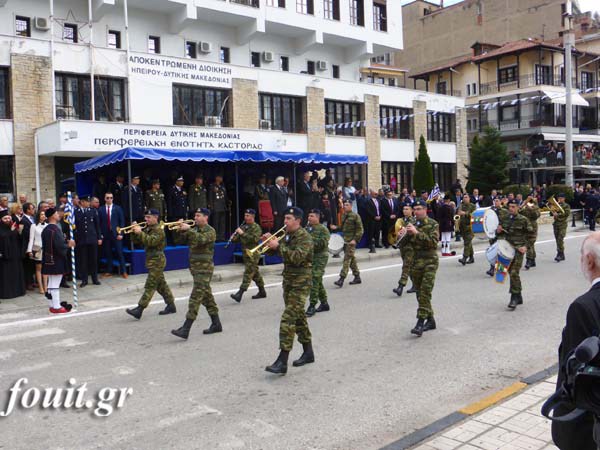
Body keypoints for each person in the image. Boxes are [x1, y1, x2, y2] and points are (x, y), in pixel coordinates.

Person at [551, 232, 600, 450]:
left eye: (581, 255)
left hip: (588, 427)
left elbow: (577, 377)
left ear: (589, 260)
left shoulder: (583, 306)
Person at [263, 207, 314, 375]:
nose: (285, 221)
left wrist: (278, 247)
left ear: (298, 220)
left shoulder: (305, 237)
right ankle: (308, 352)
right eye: (284, 218)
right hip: (289, 281)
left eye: (288, 218)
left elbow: (297, 257)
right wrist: (268, 244)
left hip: (301, 282)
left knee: (288, 318)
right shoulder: (287, 236)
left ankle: (282, 360)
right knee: (298, 318)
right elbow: (274, 255)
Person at [171, 208, 222, 339]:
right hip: (195, 268)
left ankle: (186, 328)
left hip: (204, 270)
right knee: (207, 297)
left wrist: (189, 229)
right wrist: (179, 229)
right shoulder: (195, 230)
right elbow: (179, 241)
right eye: (195, 215)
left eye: (198, 215)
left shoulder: (210, 231)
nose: (195, 218)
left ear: (206, 218)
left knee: (195, 298)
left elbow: (200, 240)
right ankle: (216, 324)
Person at [125, 209, 176, 320]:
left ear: (155, 217)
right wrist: (134, 232)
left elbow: (151, 241)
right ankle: (171, 305)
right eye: (146, 217)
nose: (145, 219)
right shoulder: (149, 229)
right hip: (151, 259)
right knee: (161, 285)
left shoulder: (159, 230)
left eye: (148, 217)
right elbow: (137, 241)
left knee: (150, 285)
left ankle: (139, 309)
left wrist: (140, 232)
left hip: (158, 260)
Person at [407, 199, 439, 337]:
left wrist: (416, 233)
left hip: (430, 261)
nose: (417, 211)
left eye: (419, 208)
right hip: (416, 261)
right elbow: (404, 244)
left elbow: (433, 243)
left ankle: (420, 322)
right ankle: (430, 320)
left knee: (425, 291)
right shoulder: (412, 224)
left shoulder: (433, 224)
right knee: (420, 293)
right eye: (415, 209)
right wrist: (404, 235)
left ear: (425, 209)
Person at [496, 199, 532, 310]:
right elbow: (500, 233)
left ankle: (514, 297)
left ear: (518, 208)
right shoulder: (505, 219)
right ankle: (519, 295)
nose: (511, 209)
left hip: (518, 250)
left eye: (513, 206)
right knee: (506, 272)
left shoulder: (523, 220)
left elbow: (531, 235)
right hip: (506, 249)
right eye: (509, 206)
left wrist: (526, 247)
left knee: (514, 273)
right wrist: (498, 230)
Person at [41, 208, 75, 314]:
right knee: (55, 283)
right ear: (52, 216)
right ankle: (56, 306)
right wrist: (68, 245)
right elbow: (59, 246)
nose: (58, 215)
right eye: (56, 214)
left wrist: (64, 242)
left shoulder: (46, 229)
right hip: (56, 259)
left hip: (48, 259)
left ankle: (52, 305)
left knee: (51, 283)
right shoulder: (55, 229)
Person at [229, 209, 266, 303]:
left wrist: (242, 233)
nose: (246, 217)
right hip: (246, 252)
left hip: (253, 253)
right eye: (245, 215)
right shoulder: (244, 226)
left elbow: (254, 239)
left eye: (248, 215)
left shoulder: (256, 227)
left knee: (248, 272)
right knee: (255, 272)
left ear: (253, 217)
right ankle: (262, 291)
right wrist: (234, 236)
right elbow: (236, 240)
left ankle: (240, 293)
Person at [305, 209, 330, 317]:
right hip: (310, 257)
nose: (309, 218)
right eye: (309, 216)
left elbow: (322, 244)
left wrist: (308, 242)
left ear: (317, 218)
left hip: (320, 257)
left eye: (312, 216)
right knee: (317, 280)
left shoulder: (323, 229)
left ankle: (312, 305)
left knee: (314, 279)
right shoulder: (307, 228)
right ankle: (324, 303)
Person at [333, 199, 363, 287]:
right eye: (344, 205)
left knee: (346, 260)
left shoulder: (355, 216)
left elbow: (360, 230)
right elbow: (342, 228)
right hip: (345, 241)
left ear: (351, 206)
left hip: (351, 241)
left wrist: (355, 240)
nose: (345, 206)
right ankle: (357, 277)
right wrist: (336, 227)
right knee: (351, 259)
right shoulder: (344, 215)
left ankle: (341, 279)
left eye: (346, 205)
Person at [75, 196, 102, 288]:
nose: (88, 203)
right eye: (87, 201)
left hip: (92, 238)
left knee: (93, 260)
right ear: (82, 202)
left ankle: (95, 279)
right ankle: (84, 280)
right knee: (83, 260)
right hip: (82, 239)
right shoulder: (76, 212)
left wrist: (99, 237)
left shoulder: (93, 211)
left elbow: (97, 225)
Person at [98, 192, 127, 278]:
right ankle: (109, 270)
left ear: (113, 198)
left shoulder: (118, 208)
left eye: (111, 198)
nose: (109, 199)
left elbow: (122, 221)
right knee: (108, 253)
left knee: (119, 252)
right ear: (104, 198)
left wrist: (121, 233)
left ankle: (124, 271)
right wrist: (100, 235)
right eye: (107, 198)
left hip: (116, 234)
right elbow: (99, 223)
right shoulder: (101, 209)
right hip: (106, 235)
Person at [392, 203, 417, 297]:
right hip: (403, 246)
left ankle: (400, 286)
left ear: (411, 211)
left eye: (407, 209)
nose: (405, 211)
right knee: (409, 267)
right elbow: (397, 231)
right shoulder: (401, 220)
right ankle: (415, 285)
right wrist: (398, 234)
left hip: (411, 247)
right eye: (404, 209)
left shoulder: (414, 220)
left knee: (406, 266)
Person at [0, 211, 26, 299]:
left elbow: (18, 239)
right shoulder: (2, 228)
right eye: (5, 218)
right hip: (5, 257)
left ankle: (18, 291)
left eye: (9, 218)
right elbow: (3, 239)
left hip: (15, 255)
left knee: (16, 273)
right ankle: (8, 293)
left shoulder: (13, 227)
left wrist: (19, 232)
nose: (7, 220)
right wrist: (11, 232)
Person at [27, 210, 47, 294]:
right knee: (39, 269)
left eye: (44, 214)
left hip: (46, 249)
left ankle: (46, 287)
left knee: (46, 269)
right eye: (41, 214)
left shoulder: (47, 225)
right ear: (38, 216)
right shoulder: (33, 226)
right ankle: (41, 287)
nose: (43, 216)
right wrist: (29, 250)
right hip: (37, 249)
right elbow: (31, 239)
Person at [520, 197, 541, 270]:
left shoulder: (535, 207)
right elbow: (518, 212)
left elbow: (537, 216)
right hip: (525, 228)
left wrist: (530, 208)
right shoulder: (524, 207)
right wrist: (523, 204)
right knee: (530, 245)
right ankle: (533, 260)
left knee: (529, 244)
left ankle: (528, 260)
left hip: (533, 228)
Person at [457, 194, 476, 265]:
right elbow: (458, 215)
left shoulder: (472, 206)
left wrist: (464, 213)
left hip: (470, 227)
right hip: (462, 227)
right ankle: (471, 257)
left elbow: (474, 215)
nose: (465, 199)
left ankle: (464, 258)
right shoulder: (461, 206)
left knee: (467, 243)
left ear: (469, 198)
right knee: (468, 243)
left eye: (466, 197)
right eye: (464, 197)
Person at [209, 175, 228, 241]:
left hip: (222, 207)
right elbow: (211, 197)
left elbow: (225, 197)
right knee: (216, 223)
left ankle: (222, 237)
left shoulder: (222, 186)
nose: (221, 178)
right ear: (216, 178)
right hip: (216, 207)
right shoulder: (212, 186)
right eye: (220, 177)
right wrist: (211, 207)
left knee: (222, 223)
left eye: (221, 177)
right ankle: (216, 237)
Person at [553, 193, 571, 262]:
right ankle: (562, 254)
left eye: (561, 198)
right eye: (558, 198)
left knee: (560, 239)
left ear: (564, 198)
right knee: (557, 240)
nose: (559, 199)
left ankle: (559, 254)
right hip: (556, 224)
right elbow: (551, 213)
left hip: (562, 224)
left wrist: (557, 214)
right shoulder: (556, 205)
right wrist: (553, 211)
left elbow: (567, 213)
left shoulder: (566, 205)